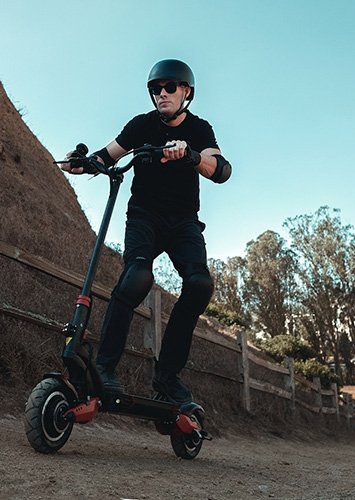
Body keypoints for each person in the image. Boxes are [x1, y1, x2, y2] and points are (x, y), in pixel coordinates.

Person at [60, 59, 231, 405]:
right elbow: (106, 156)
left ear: (186, 92)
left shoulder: (199, 129)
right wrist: (81, 164)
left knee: (199, 284)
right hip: (144, 218)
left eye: (170, 87)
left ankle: (167, 377)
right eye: (156, 89)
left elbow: (221, 170)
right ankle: (105, 368)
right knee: (136, 277)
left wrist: (191, 155)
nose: (162, 94)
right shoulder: (141, 125)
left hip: (183, 222)